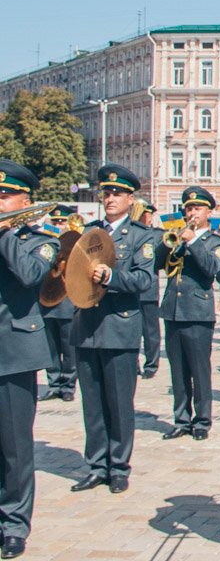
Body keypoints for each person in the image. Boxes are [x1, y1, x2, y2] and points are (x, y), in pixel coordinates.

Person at [70, 164, 155, 494]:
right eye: (106, 193)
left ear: (130, 198)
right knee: (92, 404)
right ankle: (96, 464)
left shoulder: (139, 236)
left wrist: (111, 277)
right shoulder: (89, 233)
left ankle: (118, 466)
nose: (109, 198)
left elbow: (145, 280)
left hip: (119, 329)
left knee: (119, 404)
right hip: (88, 327)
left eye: (117, 193)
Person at [0, 161, 57, 559]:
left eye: (4, 195)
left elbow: (28, 275)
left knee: (15, 447)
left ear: (25, 199)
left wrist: (4, 233)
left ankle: (14, 524)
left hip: (15, 354)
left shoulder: (40, 240)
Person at [155, 186, 220, 440]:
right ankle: (181, 419)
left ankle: (202, 420)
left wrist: (192, 241)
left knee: (199, 370)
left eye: (197, 208)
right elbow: (156, 264)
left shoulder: (215, 241)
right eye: (189, 208)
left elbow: (212, 268)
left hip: (198, 312)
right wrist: (167, 241)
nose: (192, 213)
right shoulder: (177, 235)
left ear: (208, 212)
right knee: (178, 370)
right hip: (173, 309)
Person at [39, 204, 79, 403]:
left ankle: (68, 385)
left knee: (68, 347)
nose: (59, 225)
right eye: (55, 222)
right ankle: (53, 383)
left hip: (67, 302)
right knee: (50, 347)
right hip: (47, 300)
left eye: (62, 221)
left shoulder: (74, 243)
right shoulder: (44, 243)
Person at [135, 201, 163, 378]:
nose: (143, 216)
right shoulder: (131, 232)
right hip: (130, 288)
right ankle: (134, 363)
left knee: (150, 330)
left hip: (149, 287)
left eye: (146, 213)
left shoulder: (157, 234)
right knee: (132, 329)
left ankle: (151, 364)